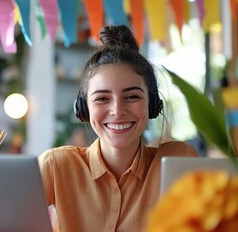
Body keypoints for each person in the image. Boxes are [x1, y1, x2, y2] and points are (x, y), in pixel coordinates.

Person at [38, 24, 198, 232]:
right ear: (84, 108)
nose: (117, 110)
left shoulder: (179, 160)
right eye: (102, 98)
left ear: (152, 105)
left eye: (132, 97)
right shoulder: (57, 166)